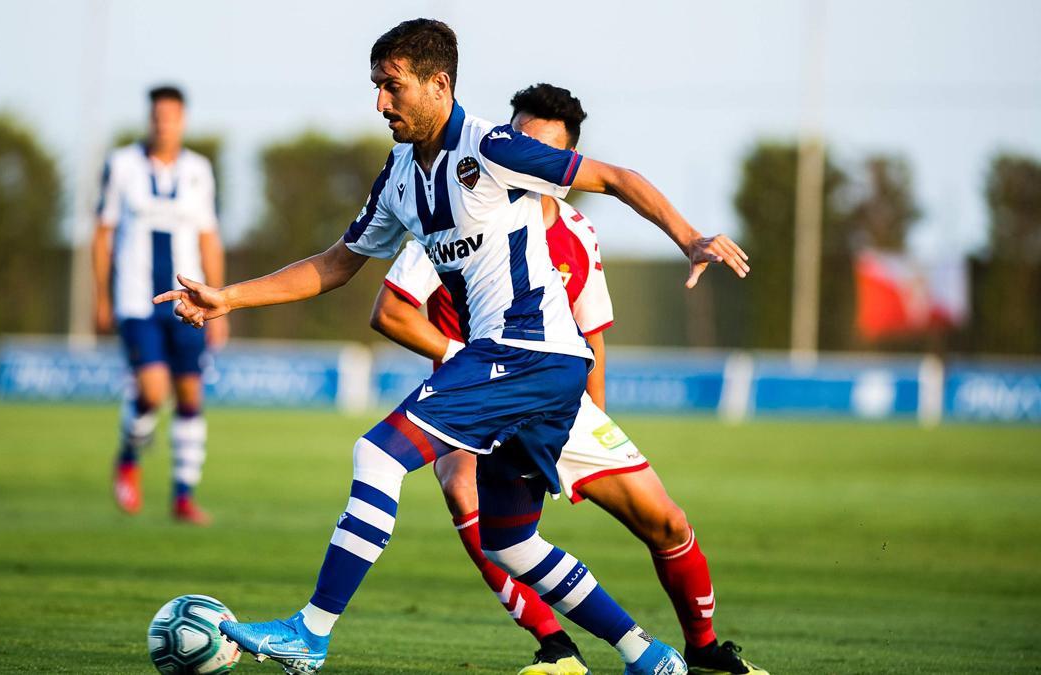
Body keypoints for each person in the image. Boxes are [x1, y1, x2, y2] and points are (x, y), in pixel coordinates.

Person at [156, 19, 747, 675]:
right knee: (511, 541)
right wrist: (229, 297)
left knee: (377, 454)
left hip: (526, 351)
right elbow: (337, 263)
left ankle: (311, 630)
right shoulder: (400, 175)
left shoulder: (493, 146)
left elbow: (614, 177)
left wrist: (689, 236)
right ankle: (648, 655)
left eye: (393, 86)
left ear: (439, 84)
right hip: (532, 367)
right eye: (376, 86)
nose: (381, 103)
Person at [370, 83, 766, 675]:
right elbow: (391, 312)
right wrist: (470, 358)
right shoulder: (457, 201)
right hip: (472, 397)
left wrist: (595, 424)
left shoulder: (579, 233)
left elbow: (593, 334)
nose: (530, 158)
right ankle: (556, 647)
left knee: (666, 521)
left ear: (563, 162)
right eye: (521, 141)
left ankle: (703, 649)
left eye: (546, 151)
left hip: (557, 397)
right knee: (464, 493)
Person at [93, 84, 226, 525]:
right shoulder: (122, 165)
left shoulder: (199, 170)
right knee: (152, 391)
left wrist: (221, 301)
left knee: (189, 393)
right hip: (135, 300)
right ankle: (129, 457)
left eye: (171, 116)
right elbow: (103, 234)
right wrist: (100, 296)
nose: (163, 123)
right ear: (148, 119)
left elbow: (209, 237)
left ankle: (183, 497)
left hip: (187, 305)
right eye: (157, 116)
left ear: (182, 121)